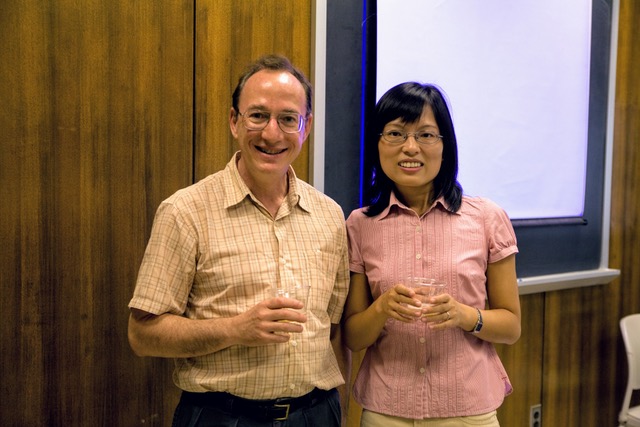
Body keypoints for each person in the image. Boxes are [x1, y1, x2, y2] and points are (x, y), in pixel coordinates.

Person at [127, 54, 350, 427]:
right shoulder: (186, 211)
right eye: (258, 115)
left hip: (317, 415)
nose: (272, 134)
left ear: (306, 126)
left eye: (287, 118)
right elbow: (142, 334)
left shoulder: (330, 215)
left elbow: (335, 328)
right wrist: (235, 329)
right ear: (234, 120)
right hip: (223, 417)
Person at [344, 82, 521, 427]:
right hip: (386, 411)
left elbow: (511, 326)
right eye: (395, 133)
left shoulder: (486, 217)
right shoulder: (360, 224)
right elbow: (352, 336)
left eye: (426, 135)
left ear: (445, 146)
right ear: (378, 144)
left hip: (468, 411)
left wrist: (464, 315)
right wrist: (381, 309)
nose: (410, 148)